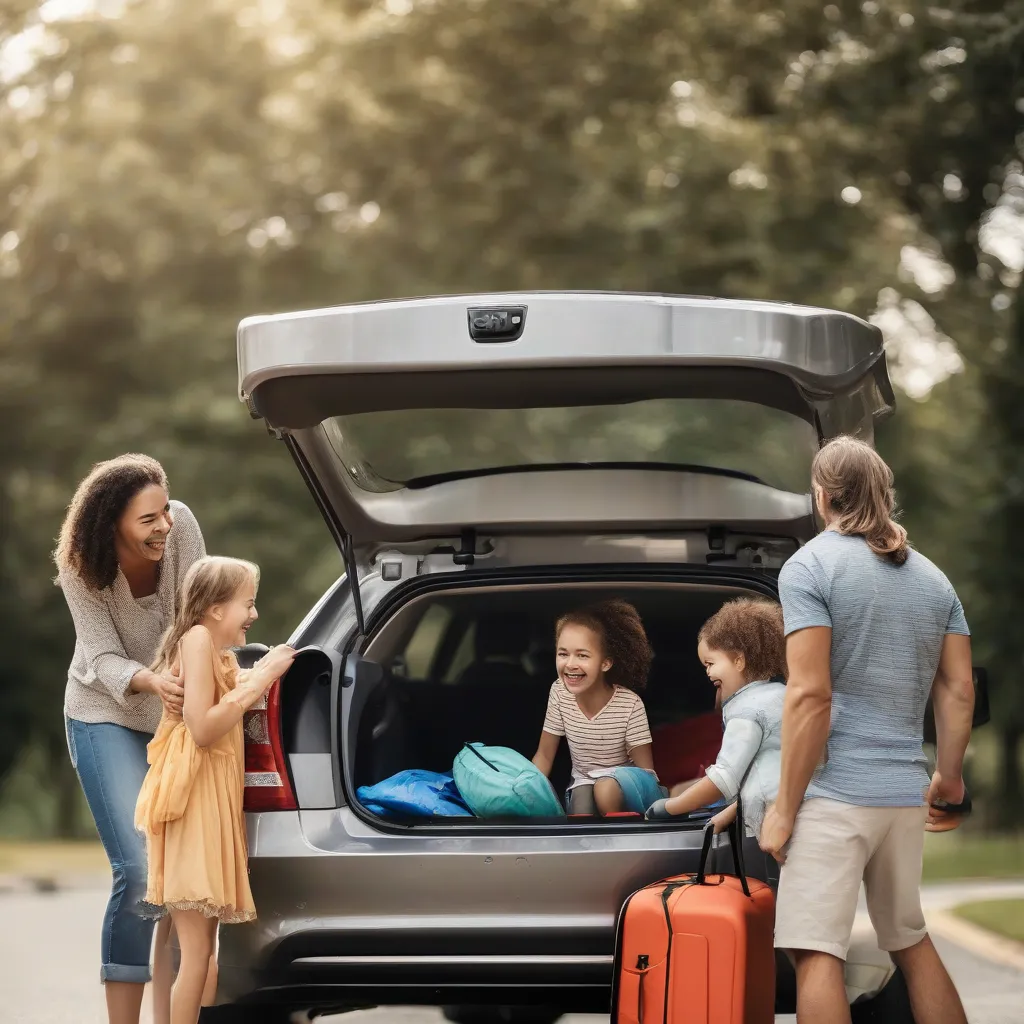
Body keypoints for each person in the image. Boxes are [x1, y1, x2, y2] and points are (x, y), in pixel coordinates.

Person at [759, 436, 975, 1024]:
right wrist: (947, 781)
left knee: (816, 952)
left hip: (834, 799)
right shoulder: (934, 580)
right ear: (883, 494)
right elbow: (958, 690)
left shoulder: (809, 567)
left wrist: (783, 807)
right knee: (909, 940)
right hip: (904, 798)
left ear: (823, 494)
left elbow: (810, 694)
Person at [56, 454, 206, 1024]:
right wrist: (152, 680)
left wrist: (190, 678)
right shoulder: (81, 564)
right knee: (142, 871)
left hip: (175, 712)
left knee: (179, 876)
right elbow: (101, 657)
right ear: (112, 521)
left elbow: (197, 613)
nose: (163, 526)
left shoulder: (182, 526)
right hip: (104, 712)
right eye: (148, 520)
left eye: (164, 511)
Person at [135, 556, 296, 1024]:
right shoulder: (197, 639)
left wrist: (258, 672)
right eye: (248, 603)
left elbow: (226, 693)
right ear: (215, 608)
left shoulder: (217, 652)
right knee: (197, 949)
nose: (254, 614)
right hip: (191, 804)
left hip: (209, 803)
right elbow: (203, 727)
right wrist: (262, 677)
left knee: (207, 952)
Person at [645, 597, 787, 836]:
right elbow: (769, 775)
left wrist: (671, 807)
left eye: (710, 663)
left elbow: (725, 777)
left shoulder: (746, 711)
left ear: (739, 660)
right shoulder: (781, 694)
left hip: (772, 823)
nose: (708, 673)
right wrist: (730, 812)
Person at [531, 599, 665, 815]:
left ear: (605, 663)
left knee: (605, 788)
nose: (570, 664)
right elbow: (545, 756)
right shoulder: (559, 692)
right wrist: (526, 791)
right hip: (583, 779)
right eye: (563, 653)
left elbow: (646, 774)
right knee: (581, 808)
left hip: (625, 783)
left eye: (582, 655)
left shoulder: (629, 704)